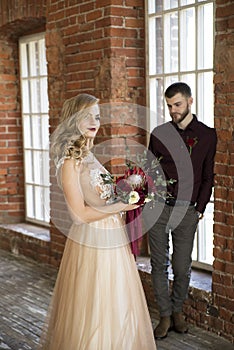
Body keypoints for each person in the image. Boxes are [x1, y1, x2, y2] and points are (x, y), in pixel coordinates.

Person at [38, 93, 157, 350]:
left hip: (112, 237)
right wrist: (122, 204)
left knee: (118, 304)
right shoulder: (71, 161)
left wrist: (126, 191)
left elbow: (98, 198)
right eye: (87, 116)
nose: (95, 121)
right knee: (96, 307)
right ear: (73, 120)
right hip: (92, 240)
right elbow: (78, 215)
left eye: (97, 116)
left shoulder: (89, 155)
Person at [146, 82, 217, 340]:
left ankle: (178, 312)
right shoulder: (158, 133)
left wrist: (199, 209)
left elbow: (209, 176)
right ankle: (164, 316)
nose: (173, 110)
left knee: (182, 265)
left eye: (177, 104)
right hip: (158, 208)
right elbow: (148, 170)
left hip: (187, 211)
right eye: (169, 106)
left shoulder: (208, 136)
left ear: (190, 101)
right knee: (158, 264)